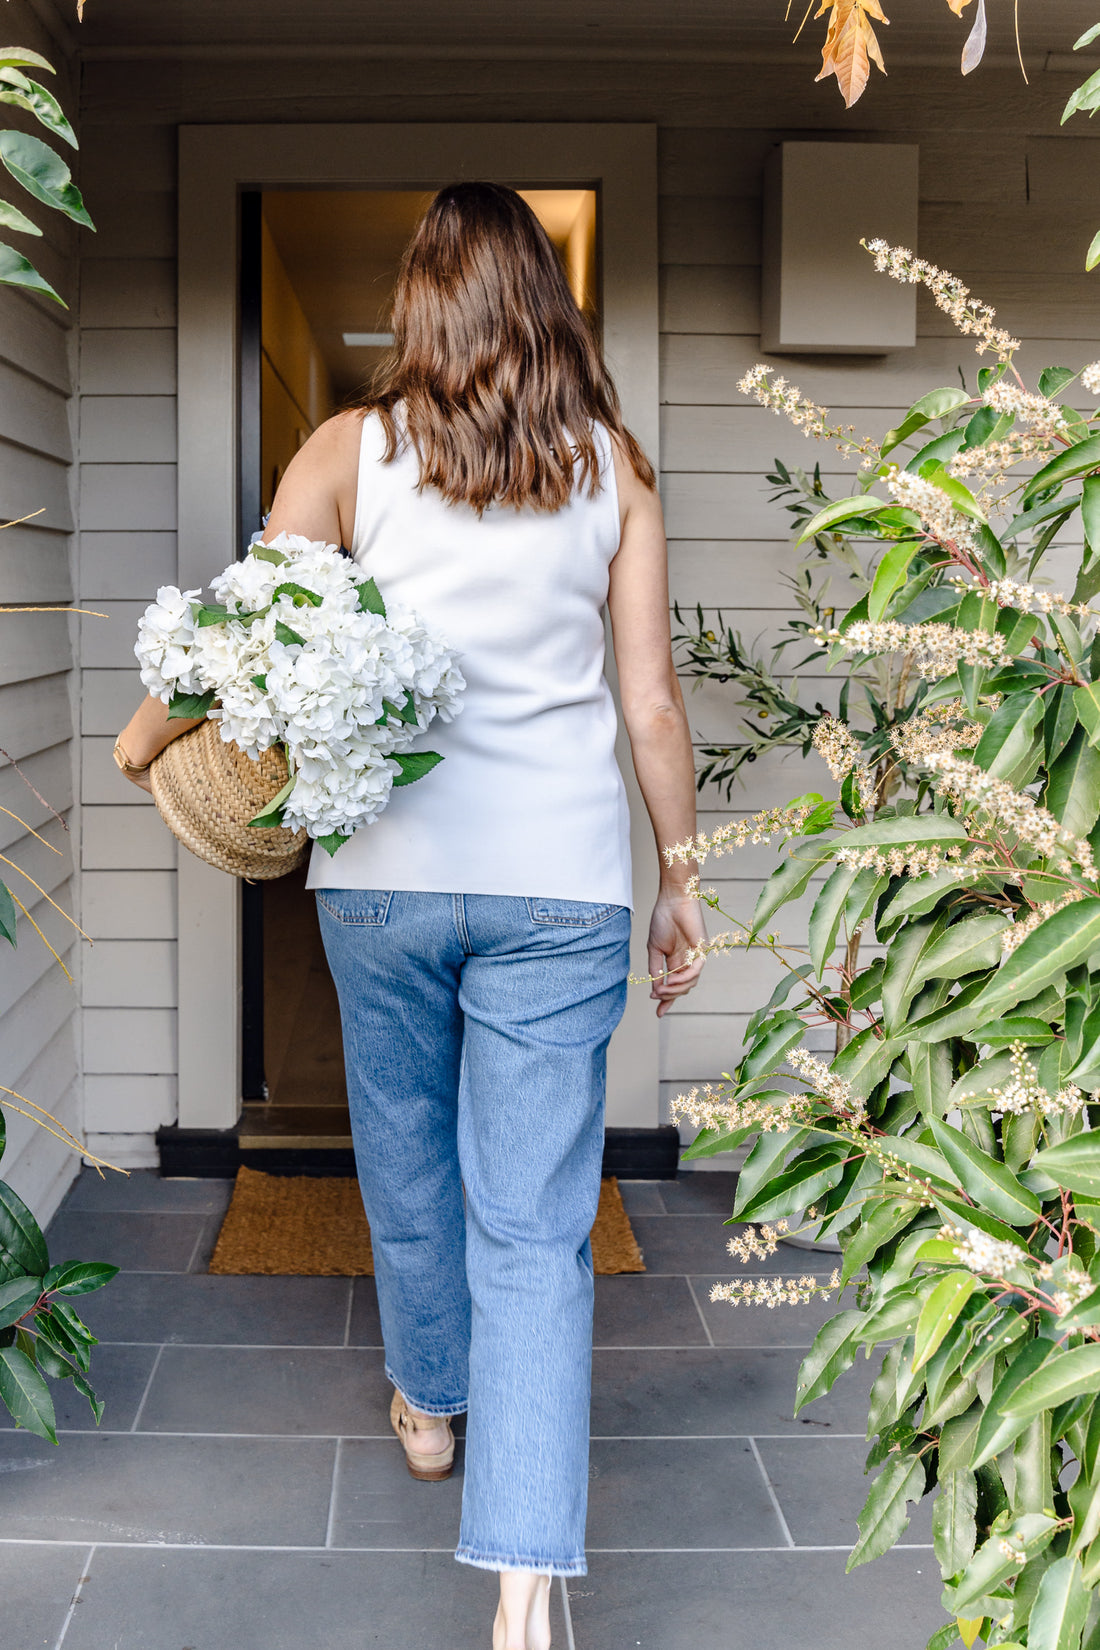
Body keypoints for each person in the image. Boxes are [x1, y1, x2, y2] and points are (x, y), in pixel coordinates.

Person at [114, 181, 705, 1650]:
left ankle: (432, 1411)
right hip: (561, 885)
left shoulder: (345, 451)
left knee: (406, 1155)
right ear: (548, 310)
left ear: (420, 309)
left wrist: (142, 735)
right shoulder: (614, 472)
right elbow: (649, 703)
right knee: (538, 1223)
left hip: (384, 879)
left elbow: (246, 635)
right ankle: (524, 1586)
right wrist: (682, 877)